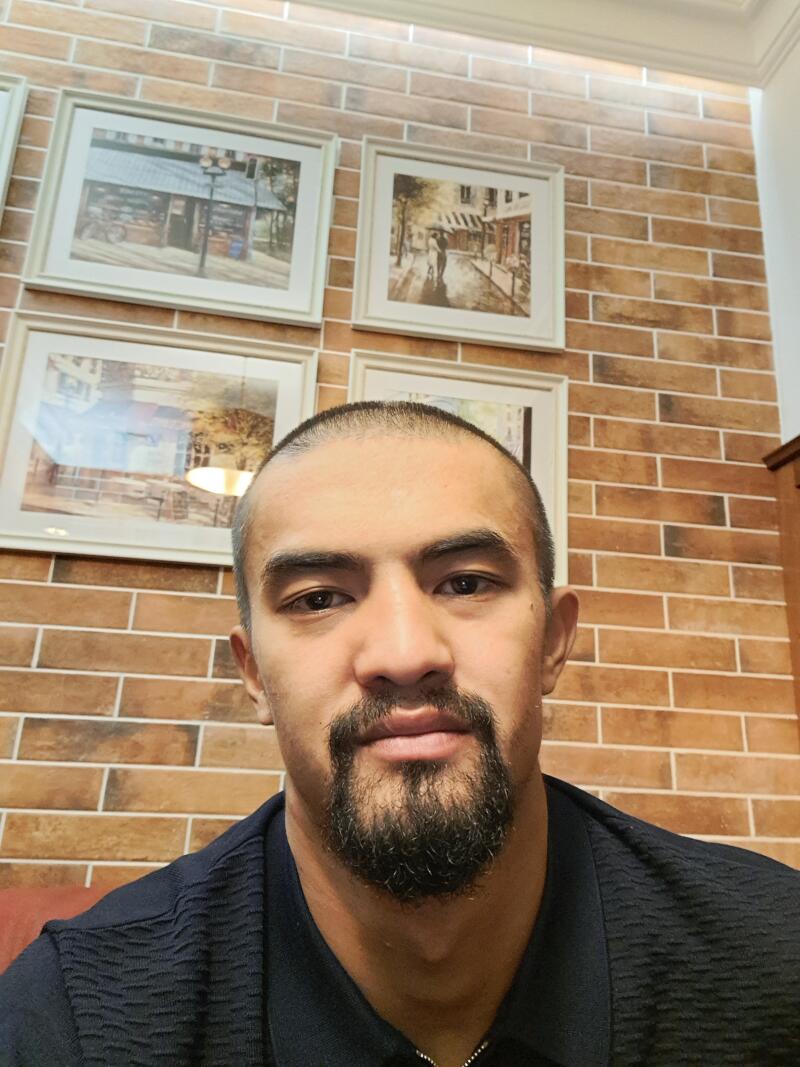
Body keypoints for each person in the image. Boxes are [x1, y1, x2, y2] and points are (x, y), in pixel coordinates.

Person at [1, 401, 798, 1067]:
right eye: (318, 597)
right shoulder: (79, 1018)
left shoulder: (775, 959)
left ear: (554, 642)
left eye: (466, 582)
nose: (405, 653)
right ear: (253, 674)